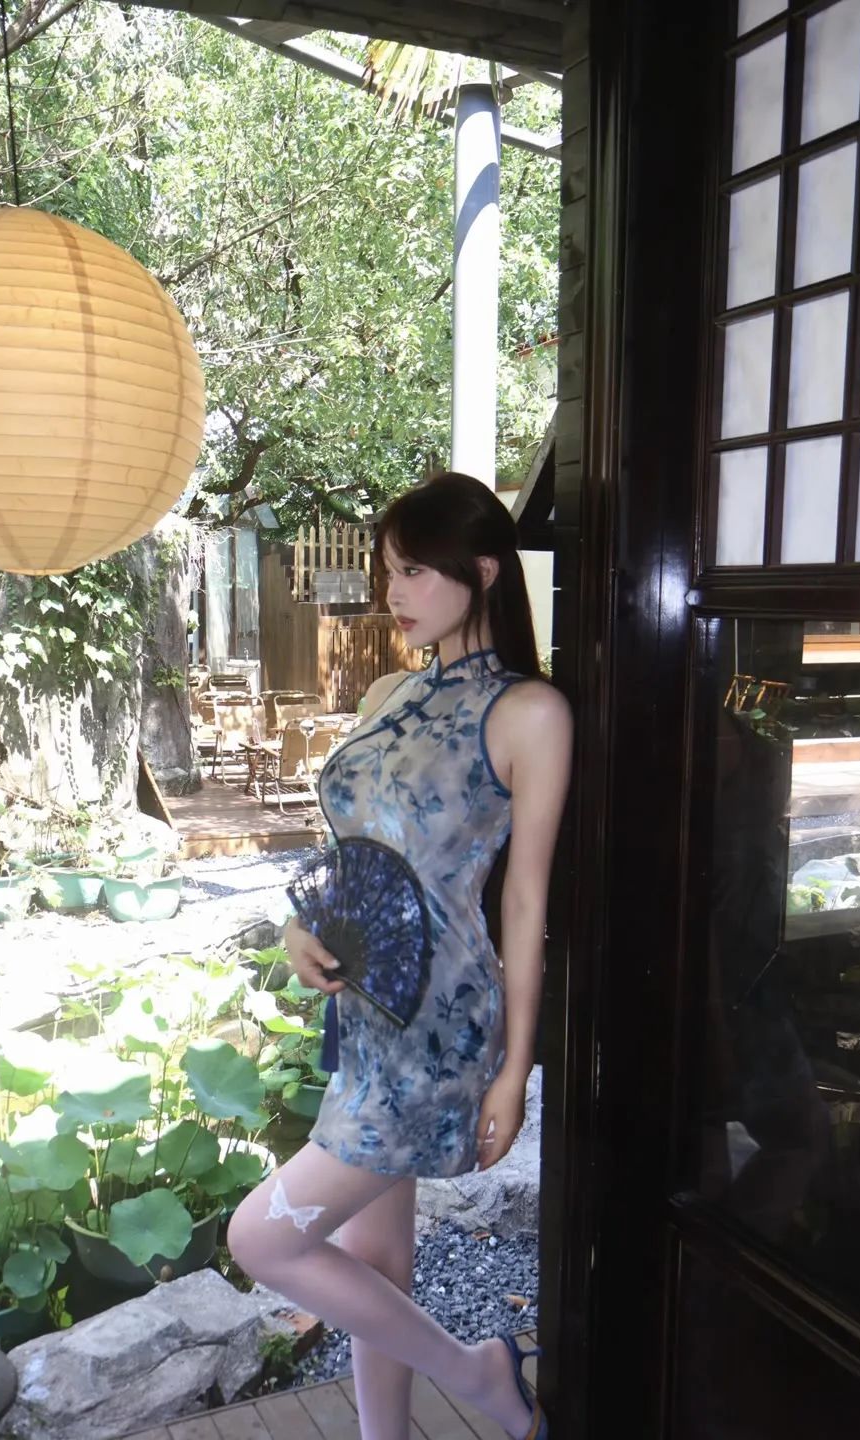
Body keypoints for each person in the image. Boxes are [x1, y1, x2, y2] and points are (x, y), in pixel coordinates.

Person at [228, 472, 573, 1440]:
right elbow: (357, 847)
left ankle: (478, 1372)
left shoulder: (530, 713)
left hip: (439, 1025)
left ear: (484, 571)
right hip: (363, 1013)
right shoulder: (388, 692)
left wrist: (513, 1071)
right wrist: (303, 931)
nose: (394, 592)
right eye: (391, 571)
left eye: (415, 570)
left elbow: (525, 901)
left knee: (261, 1238)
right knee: (377, 1263)